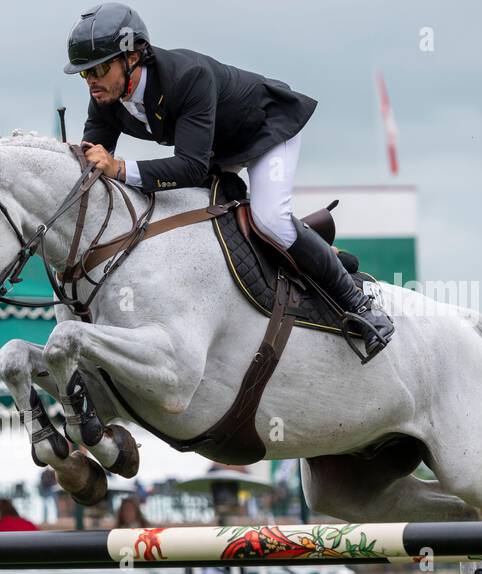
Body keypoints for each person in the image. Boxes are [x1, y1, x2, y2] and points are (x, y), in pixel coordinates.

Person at [64, 3, 393, 363]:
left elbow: (188, 167)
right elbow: (93, 166)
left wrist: (122, 168)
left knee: (270, 218)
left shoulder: (186, 77)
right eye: (84, 74)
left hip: (265, 131)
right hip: (215, 150)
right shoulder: (106, 98)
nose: (91, 80)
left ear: (133, 56)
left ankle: (361, 306)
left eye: (99, 68)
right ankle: (331, 258)